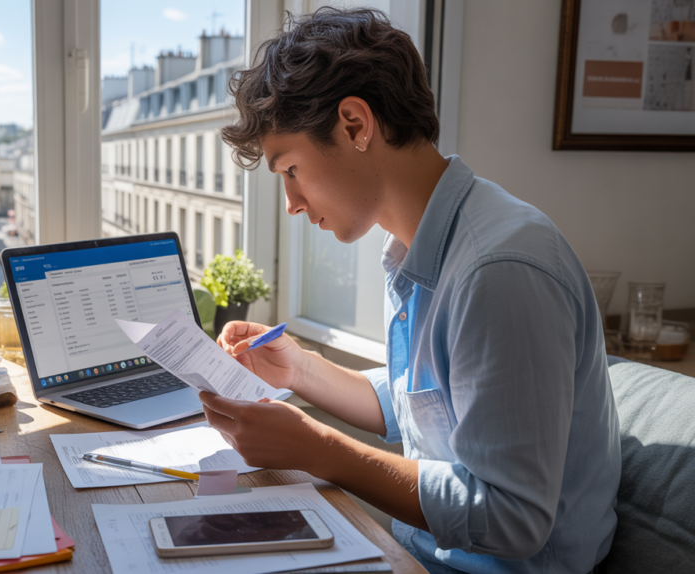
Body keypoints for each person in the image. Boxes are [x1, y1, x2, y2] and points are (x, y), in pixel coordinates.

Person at [204, 7, 621, 573]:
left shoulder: (499, 269)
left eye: (291, 170)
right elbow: (427, 404)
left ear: (355, 124)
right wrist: (299, 370)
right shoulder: (417, 245)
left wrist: (318, 450)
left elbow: (513, 517)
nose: (292, 203)